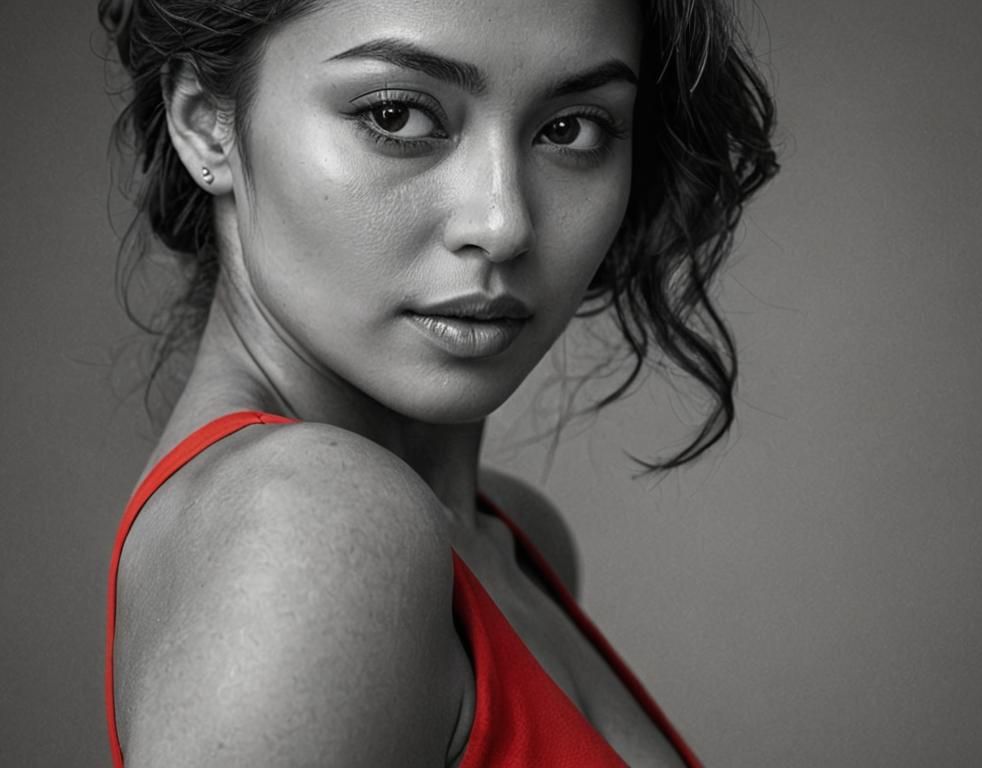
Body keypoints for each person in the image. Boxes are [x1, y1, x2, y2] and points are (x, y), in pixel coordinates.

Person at [98, 0, 777, 764]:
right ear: (202, 122)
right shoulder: (310, 532)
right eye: (396, 115)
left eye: (571, 128)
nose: (503, 223)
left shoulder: (508, 542)